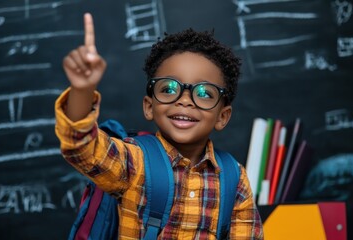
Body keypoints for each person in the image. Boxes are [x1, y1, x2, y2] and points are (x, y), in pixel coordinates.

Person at [55, 13, 263, 239]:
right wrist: (82, 90)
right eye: (168, 89)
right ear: (149, 107)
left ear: (222, 116)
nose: (185, 100)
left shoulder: (233, 177)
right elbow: (83, 148)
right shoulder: (134, 161)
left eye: (204, 93)